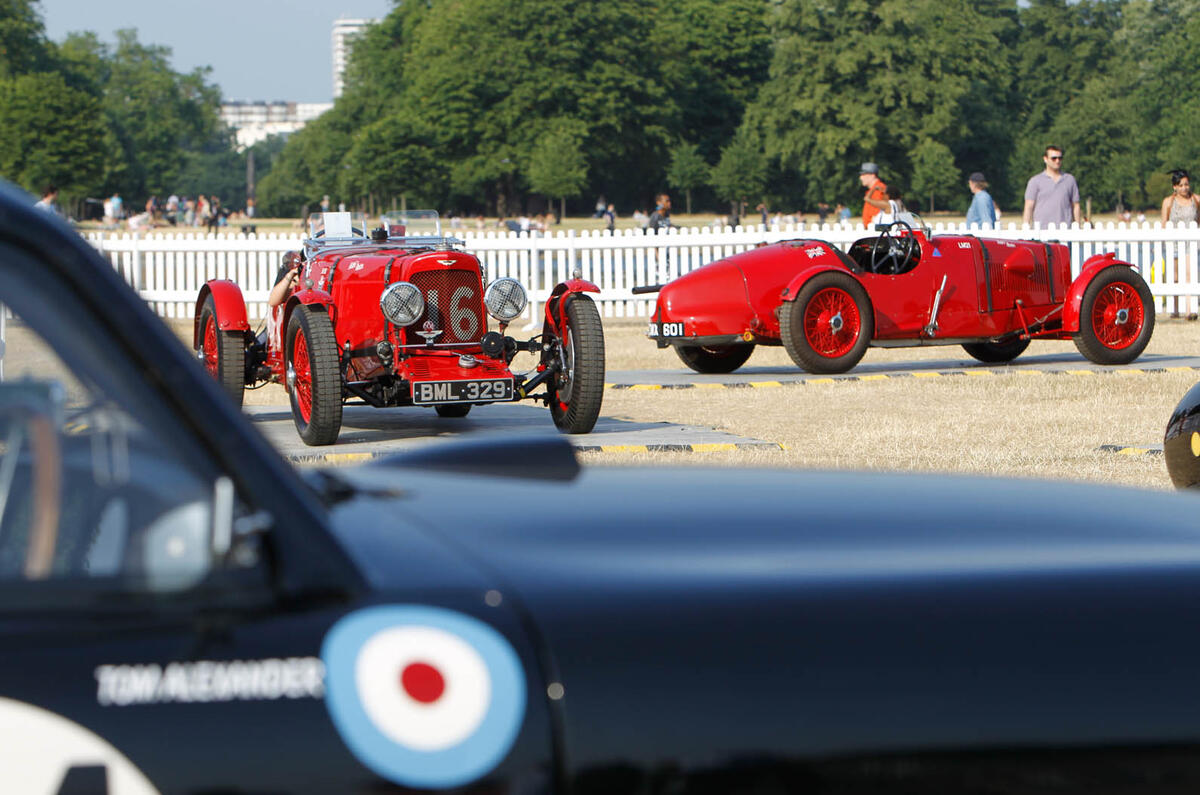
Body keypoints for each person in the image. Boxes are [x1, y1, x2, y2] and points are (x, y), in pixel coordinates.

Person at [1022, 145, 1080, 227]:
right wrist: (1026, 228)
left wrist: (1077, 226)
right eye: (1054, 158)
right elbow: (1029, 207)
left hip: (1065, 231)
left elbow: (1075, 205)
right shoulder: (1035, 181)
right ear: (1045, 159)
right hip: (1042, 232)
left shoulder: (1070, 180)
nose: (1057, 161)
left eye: (1060, 158)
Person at [858, 162, 888, 228]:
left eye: (863, 174)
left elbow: (876, 215)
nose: (860, 178)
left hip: (875, 231)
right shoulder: (873, 190)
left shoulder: (880, 189)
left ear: (872, 175)